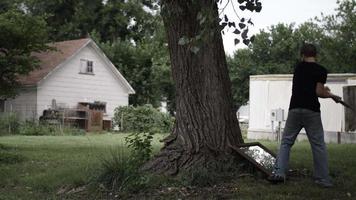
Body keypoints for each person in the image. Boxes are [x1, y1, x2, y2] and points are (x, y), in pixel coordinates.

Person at [267, 43, 341, 187]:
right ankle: (323, 179)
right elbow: (318, 91)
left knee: (286, 142)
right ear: (316, 55)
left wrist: (328, 92)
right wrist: (332, 95)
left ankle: (279, 173)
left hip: (295, 108)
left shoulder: (298, 68)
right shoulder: (321, 70)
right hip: (311, 110)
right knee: (318, 144)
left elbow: (310, 86)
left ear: (302, 55)